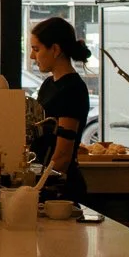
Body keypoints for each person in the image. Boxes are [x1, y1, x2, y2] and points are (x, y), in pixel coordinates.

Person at [28, 16, 90, 202]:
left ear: (55, 49)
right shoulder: (49, 84)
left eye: (36, 49)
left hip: (61, 188)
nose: (32, 56)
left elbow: (62, 155)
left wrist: (40, 188)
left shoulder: (72, 89)